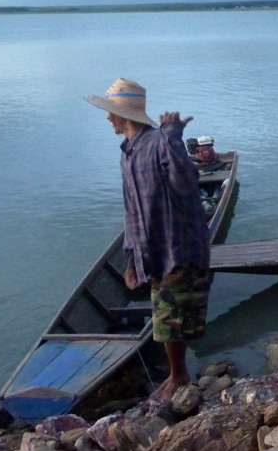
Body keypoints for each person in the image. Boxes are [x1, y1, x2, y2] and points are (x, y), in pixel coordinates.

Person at [85, 78, 211, 401]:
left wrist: (173, 135)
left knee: (168, 319)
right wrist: (130, 259)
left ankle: (178, 376)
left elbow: (185, 181)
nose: (107, 119)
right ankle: (177, 374)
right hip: (155, 246)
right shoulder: (128, 154)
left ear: (122, 114)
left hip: (177, 244)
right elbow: (132, 212)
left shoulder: (158, 143)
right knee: (166, 314)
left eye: (110, 112)